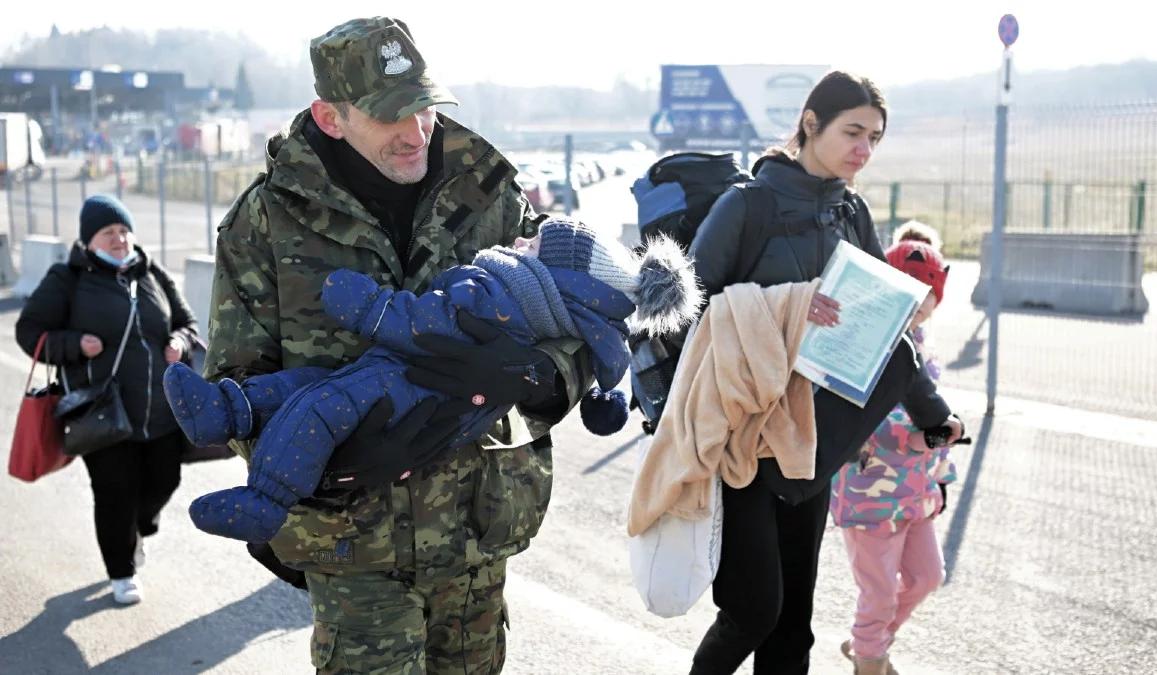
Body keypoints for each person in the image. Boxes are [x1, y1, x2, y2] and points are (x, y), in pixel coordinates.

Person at [203, 17, 595, 673]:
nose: (416, 132)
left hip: (477, 531)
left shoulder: (487, 192)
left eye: (423, 107)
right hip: (353, 541)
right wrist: (334, 459)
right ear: (331, 117)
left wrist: (540, 378)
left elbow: (574, 318)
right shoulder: (264, 222)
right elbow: (237, 382)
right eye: (391, 116)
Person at [169, 220, 698, 543]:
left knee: (318, 405)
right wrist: (605, 397)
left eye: (533, 242)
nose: (520, 237)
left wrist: (369, 309)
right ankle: (225, 409)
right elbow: (609, 368)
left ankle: (265, 500)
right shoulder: (539, 297)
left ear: (553, 275)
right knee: (307, 384)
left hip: (405, 397)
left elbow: (423, 325)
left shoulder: (500, 295)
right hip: (385, 390)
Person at [684, 71, 964, 674]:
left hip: (815, 435)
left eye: (875, 138)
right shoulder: (746, 206)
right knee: (752, 610)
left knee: (794, 628)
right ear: (811, 124)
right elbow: (689, 307)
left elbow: (881, 323)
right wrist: (784, 307)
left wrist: (933, 414)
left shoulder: (850, 211)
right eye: (853, 131)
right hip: (744, 434)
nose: (864, 149)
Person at [15, 194, 199, 605]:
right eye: (108, 233)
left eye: (123, 231)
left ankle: (138, 530)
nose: (119, 239)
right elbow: (30, 332)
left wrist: (179, 340)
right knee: (114, 492)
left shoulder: (153, 274)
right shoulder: (68, 279)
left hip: (160, 409)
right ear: (89, 240)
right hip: (102, 412)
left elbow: (188, 322)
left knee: (165, 481)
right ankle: (121, 572)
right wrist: (76, 344)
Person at [831, 232, 957, 675]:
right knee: (879, 591)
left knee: (927, 577)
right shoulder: (864, 344)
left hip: (915, 492)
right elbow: (873, 423)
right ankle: (870, 657)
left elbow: (933, 411)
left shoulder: (922, 345)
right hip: (870, 493)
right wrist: (934, 435)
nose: (918, 308)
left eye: (927, 300)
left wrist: (942, 465)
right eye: (910, 296)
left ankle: (869, 640)